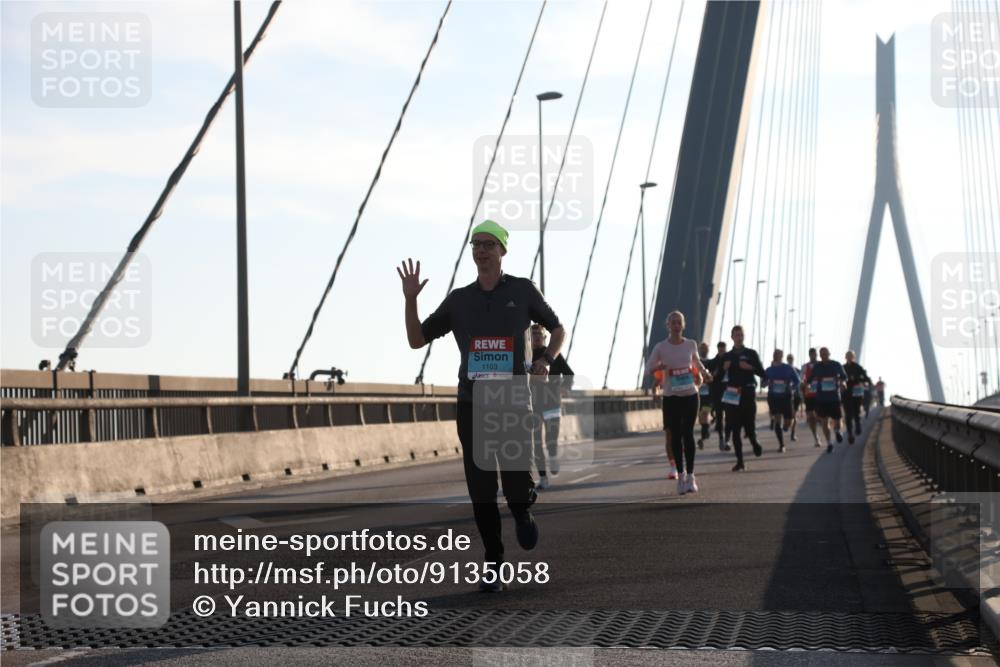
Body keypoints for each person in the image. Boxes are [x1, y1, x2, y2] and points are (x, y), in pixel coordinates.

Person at [399, 219, 564, 592]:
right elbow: (415, 339)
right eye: (476, 244)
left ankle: (522, 508)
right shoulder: (460, 300)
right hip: (473, 406)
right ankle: (493, 565)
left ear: (503, 250)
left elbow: (557, 328)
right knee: (482, 492)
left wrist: (546, 359)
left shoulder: (522, 291)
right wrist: (410, 300)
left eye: (489, 244)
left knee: (516, 488)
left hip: (513, 404)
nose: (481, 250)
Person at [645, 311, 711, 494]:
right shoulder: (661, 347)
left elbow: (697, 363)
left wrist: (705, 374)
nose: (676, 325)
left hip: (690, 394)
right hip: (671, 397)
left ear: (683, 325)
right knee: (674, 436)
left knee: (688, 434)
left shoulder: (690, 344)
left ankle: (691, 477)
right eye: (673, 322)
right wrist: (659, 367)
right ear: (668, 325)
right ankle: (680, 476)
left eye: (679, 322)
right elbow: (648, 369)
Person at [530, 324, 574, 488]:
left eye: (539, 334)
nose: (536, 337)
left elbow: (569, 374)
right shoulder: (526, 356)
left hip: (552, 402)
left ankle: (553, 455)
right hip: (532, 404)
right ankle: (543, 478)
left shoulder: (552, 355)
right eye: (533, 334)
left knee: (550, 439)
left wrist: (565, 387)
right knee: (535, 442)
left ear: (545, 337)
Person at [721, 325, 766, 471]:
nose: (739, 337)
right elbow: (718, 377)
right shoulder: (727, 356)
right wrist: (723, 368)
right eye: (736, 335)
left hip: (747, 391)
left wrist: (750, 367)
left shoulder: (751, 353)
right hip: (732, 393)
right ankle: (740, 461)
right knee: (735, 429)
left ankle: (754, 442)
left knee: (749, 426)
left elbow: (762, 373)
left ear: (743, 337)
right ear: (732, 337)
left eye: (741, 335)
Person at [811, 347, 848, 453]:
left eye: (825, 354)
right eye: (822, 354)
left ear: (829, 354)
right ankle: (829, 443)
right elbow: (810, 378)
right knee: (824, 421)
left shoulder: (836, 365)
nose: (824, 356)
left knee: (837, 420)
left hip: (834, 397)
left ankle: (837, 431)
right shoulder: (817, 366)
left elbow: (844, 377)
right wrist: (807, 384)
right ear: (820, 355)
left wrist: (843, 382)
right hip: (821, 398)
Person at [763, 349, 800, 453]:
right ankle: (781, 445)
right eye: (774, 354)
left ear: (781, 356)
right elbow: (763, 384)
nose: (775, 355)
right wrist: (767, 382)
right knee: (777, 420)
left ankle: (786, 427)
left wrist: (791, 388)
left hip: (786, 397)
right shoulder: (768, 370)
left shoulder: (788, 368)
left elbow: (797, 381)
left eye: (777, 354)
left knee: (788, 421)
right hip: (773, 397)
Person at [842, 350, 871, 443]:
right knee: (848, 414)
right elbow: (839, 377)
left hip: (856, 393)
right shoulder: (842, 368)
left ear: (853, 357)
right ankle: (850, 434)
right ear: (845, 357)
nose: (849, 357)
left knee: (856, 411)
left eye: (851, 356)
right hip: (846, 393)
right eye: (848, 356)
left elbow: (866, 378)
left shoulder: (858, 367)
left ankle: (858, 424)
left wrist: (859, 379)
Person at [710, 341, 731, 451]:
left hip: (730, 391)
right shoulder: (713, 362)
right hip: (718, 392)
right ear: (718, 349)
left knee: (729, 417)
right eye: (720, 349)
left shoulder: (731, 360)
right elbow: (711, 377)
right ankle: (721, 439)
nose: (722, 351)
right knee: (719, 417)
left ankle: (727, 439)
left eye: (724, 349)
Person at [800, 348, 822, 447]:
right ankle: (816, 437)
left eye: (815, 354)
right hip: (809, 394)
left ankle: (825, 430)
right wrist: (803, 386)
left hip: (820, 394)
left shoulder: (821, 365)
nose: (814, 356)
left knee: (820, 416)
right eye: (812, 354)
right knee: (811, 417)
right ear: (809, 355)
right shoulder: (805, 366)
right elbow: (801, 379)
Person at [697, 342, 714, 449]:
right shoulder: (695, 363)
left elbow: (715, 376)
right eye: (702, 348)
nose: (704, 350)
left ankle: (703, 437)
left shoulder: (711, 363)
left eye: (706, 348)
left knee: (705, 414)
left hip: (709, 395)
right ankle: (705, 432)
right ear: (699, 350)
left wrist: (710, 379)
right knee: (701, 418)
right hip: (698, 395)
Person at [786, 353, 801, 442]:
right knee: (787, 415)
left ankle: (793, 433)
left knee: (793, 415)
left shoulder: (797, 370)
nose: (790, 360)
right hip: (785, 395)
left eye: (791, 358)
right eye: (789, 358)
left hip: (795, 396)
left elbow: (800, 382)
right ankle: (787, 425)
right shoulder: (783, 369)